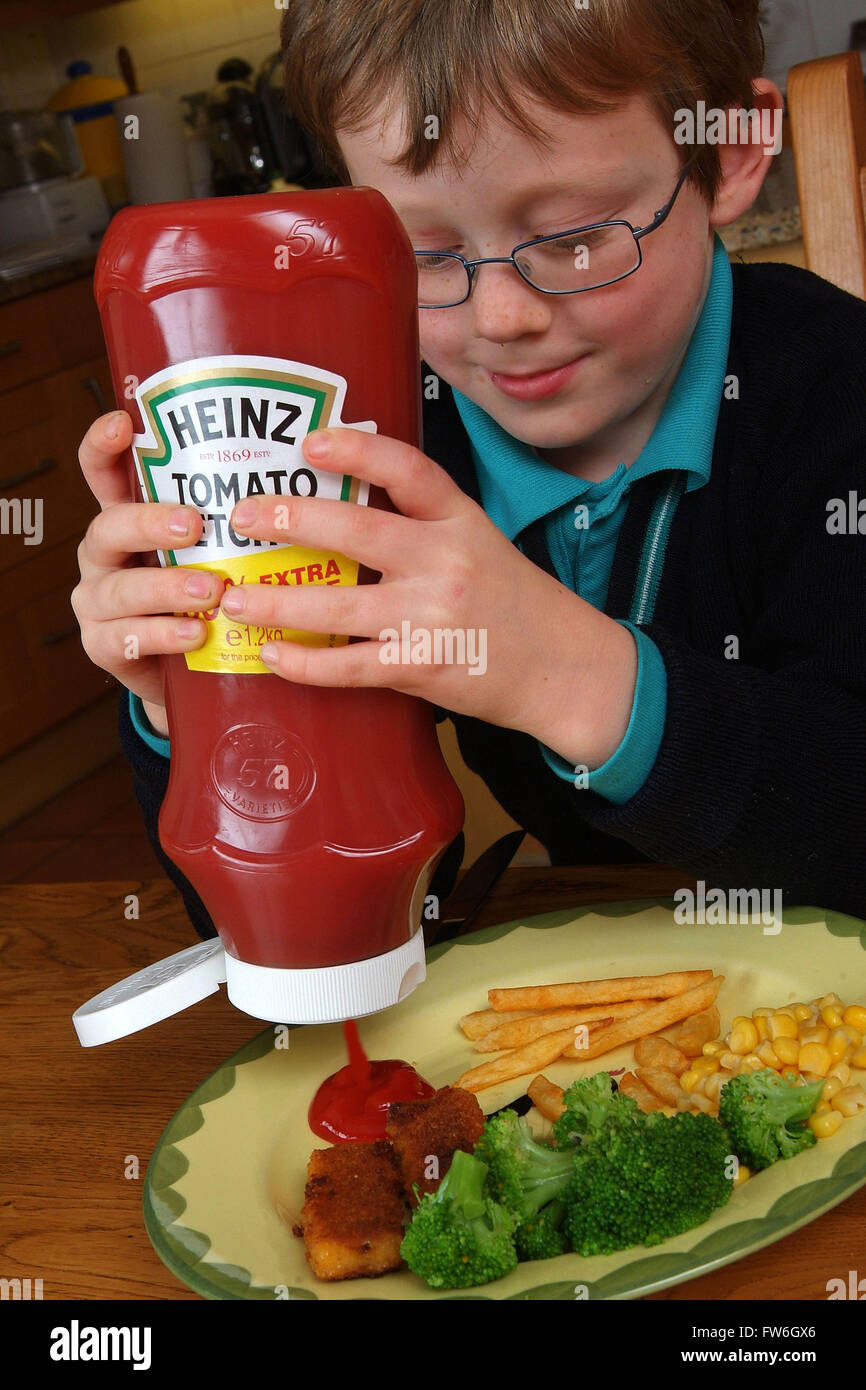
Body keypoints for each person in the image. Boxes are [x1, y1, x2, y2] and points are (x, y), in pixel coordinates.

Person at [72, 0, 866, 936]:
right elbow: (343, 937)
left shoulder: (835, 398)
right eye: (422, 252)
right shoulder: (376, 433)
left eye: (573, 237)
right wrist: (198, 714)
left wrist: (562, 673)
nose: (500, 318)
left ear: (730, 153)